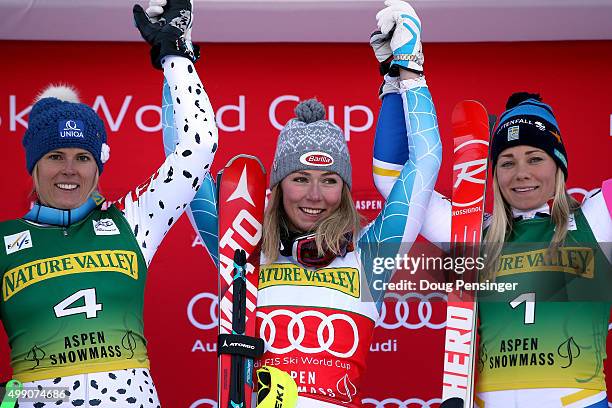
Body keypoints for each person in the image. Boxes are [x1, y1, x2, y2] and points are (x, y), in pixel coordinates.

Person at [161, 1, 442, 406]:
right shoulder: (241, 248)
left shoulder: (368, 255)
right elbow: (182, 161)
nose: (314, 196)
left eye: (329, 181)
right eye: (300, 179)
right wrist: (176, 55)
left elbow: (425, 160)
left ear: (344, 191)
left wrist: (407, 70)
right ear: (276, 188)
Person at [372, 3, 612, 407]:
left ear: (558, 167)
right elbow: (395, 181)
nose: (521, 173)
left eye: (535, 159)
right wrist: (402, 76)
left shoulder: (595, 221)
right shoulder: (472, 232)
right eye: (507, 161)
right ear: (493, 171)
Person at [0, 1, 218, 406]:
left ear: (98, 166)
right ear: (33, 166)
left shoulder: (132, 221)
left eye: (83, 157)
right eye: (55, 157)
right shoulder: (4, 243)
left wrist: (175, 54)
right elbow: (23, 392)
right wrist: (20, 395)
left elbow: (198, 145)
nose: (69, 170)